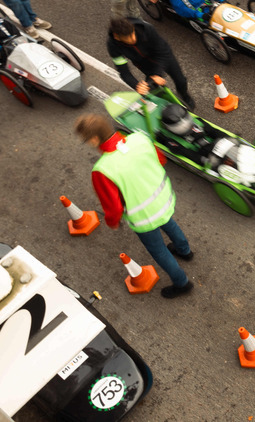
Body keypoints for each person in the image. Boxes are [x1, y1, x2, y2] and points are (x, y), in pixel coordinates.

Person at [74, 113, 194, 299]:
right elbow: (161, 160)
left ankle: (181, 282)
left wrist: (113, 223)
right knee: (169, 223)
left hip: (144, 215)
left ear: (94, 139)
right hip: (163, 198)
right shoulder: (139, 138)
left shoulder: (102, 169)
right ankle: (184, 251)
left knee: (159, 250)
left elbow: (113, 208)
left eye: (86, 140)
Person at [107, 16, 196, 109]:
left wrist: (157, 73)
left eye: (132, 33)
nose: (133, 38)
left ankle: (185, 96)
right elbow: (124, 72)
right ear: (117, 37)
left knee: (180, 80)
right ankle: (169, 106)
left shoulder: (146, 28)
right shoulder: (113, 47)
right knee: (156, 90)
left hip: (163, 56)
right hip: (145, 65)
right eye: (127, 37)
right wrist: (137, 86)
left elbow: (163, 51)